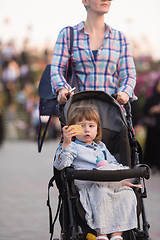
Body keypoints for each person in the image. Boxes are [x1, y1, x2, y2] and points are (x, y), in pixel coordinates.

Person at [54, 105, 139, 240]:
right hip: (90, 185)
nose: (87, 129)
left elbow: (113, 164)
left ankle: (117, 234)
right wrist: (66, 143)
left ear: (97, 129)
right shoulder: (72, 146)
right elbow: (61, 165)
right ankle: (102, 234)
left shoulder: (101, 146)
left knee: (127, 193)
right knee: (102, 193)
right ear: (72, 129)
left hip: (107, 182)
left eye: (91, 126)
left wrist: (122, 177)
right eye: (81, 126)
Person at [51, 0, 137, 106]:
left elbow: (129, 75)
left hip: (110, 111)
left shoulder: (120, 38)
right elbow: (56, 70)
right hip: (78, 112)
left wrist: (125, 92)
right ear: (85, 1)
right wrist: (62, 89)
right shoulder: (67, 35)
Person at [143, 78, 160, 174]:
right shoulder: (152, 98)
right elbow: (145, 111)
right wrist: (153, 109)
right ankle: (151, 165)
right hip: (153, 128)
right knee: (151, 146)